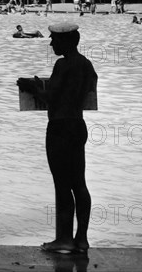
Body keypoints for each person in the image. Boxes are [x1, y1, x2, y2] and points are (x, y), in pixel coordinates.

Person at [17, 23, 97, 254]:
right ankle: (81, 238)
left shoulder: (63, 64)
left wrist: (31, 87)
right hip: (78, 125)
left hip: (60, 127)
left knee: (62, 186)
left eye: (54, 40)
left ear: (66, 41)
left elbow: (51, 98)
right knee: (79, 184)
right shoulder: (85, 64)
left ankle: (63, 239)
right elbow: (90, 87)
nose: (51, 43)